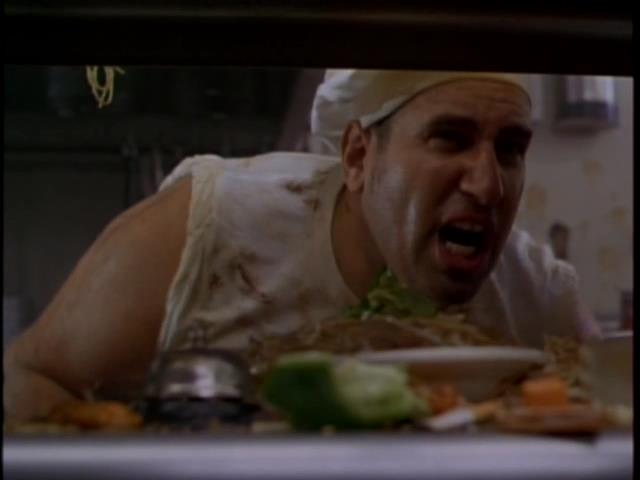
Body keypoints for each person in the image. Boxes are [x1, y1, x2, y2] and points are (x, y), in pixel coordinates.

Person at [3, 69, 601, 421]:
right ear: (358, 156)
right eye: (450, 139)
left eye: (510, 149)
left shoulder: (539, 299)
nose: (488, 184)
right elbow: (28, 377)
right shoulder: (204, 229)